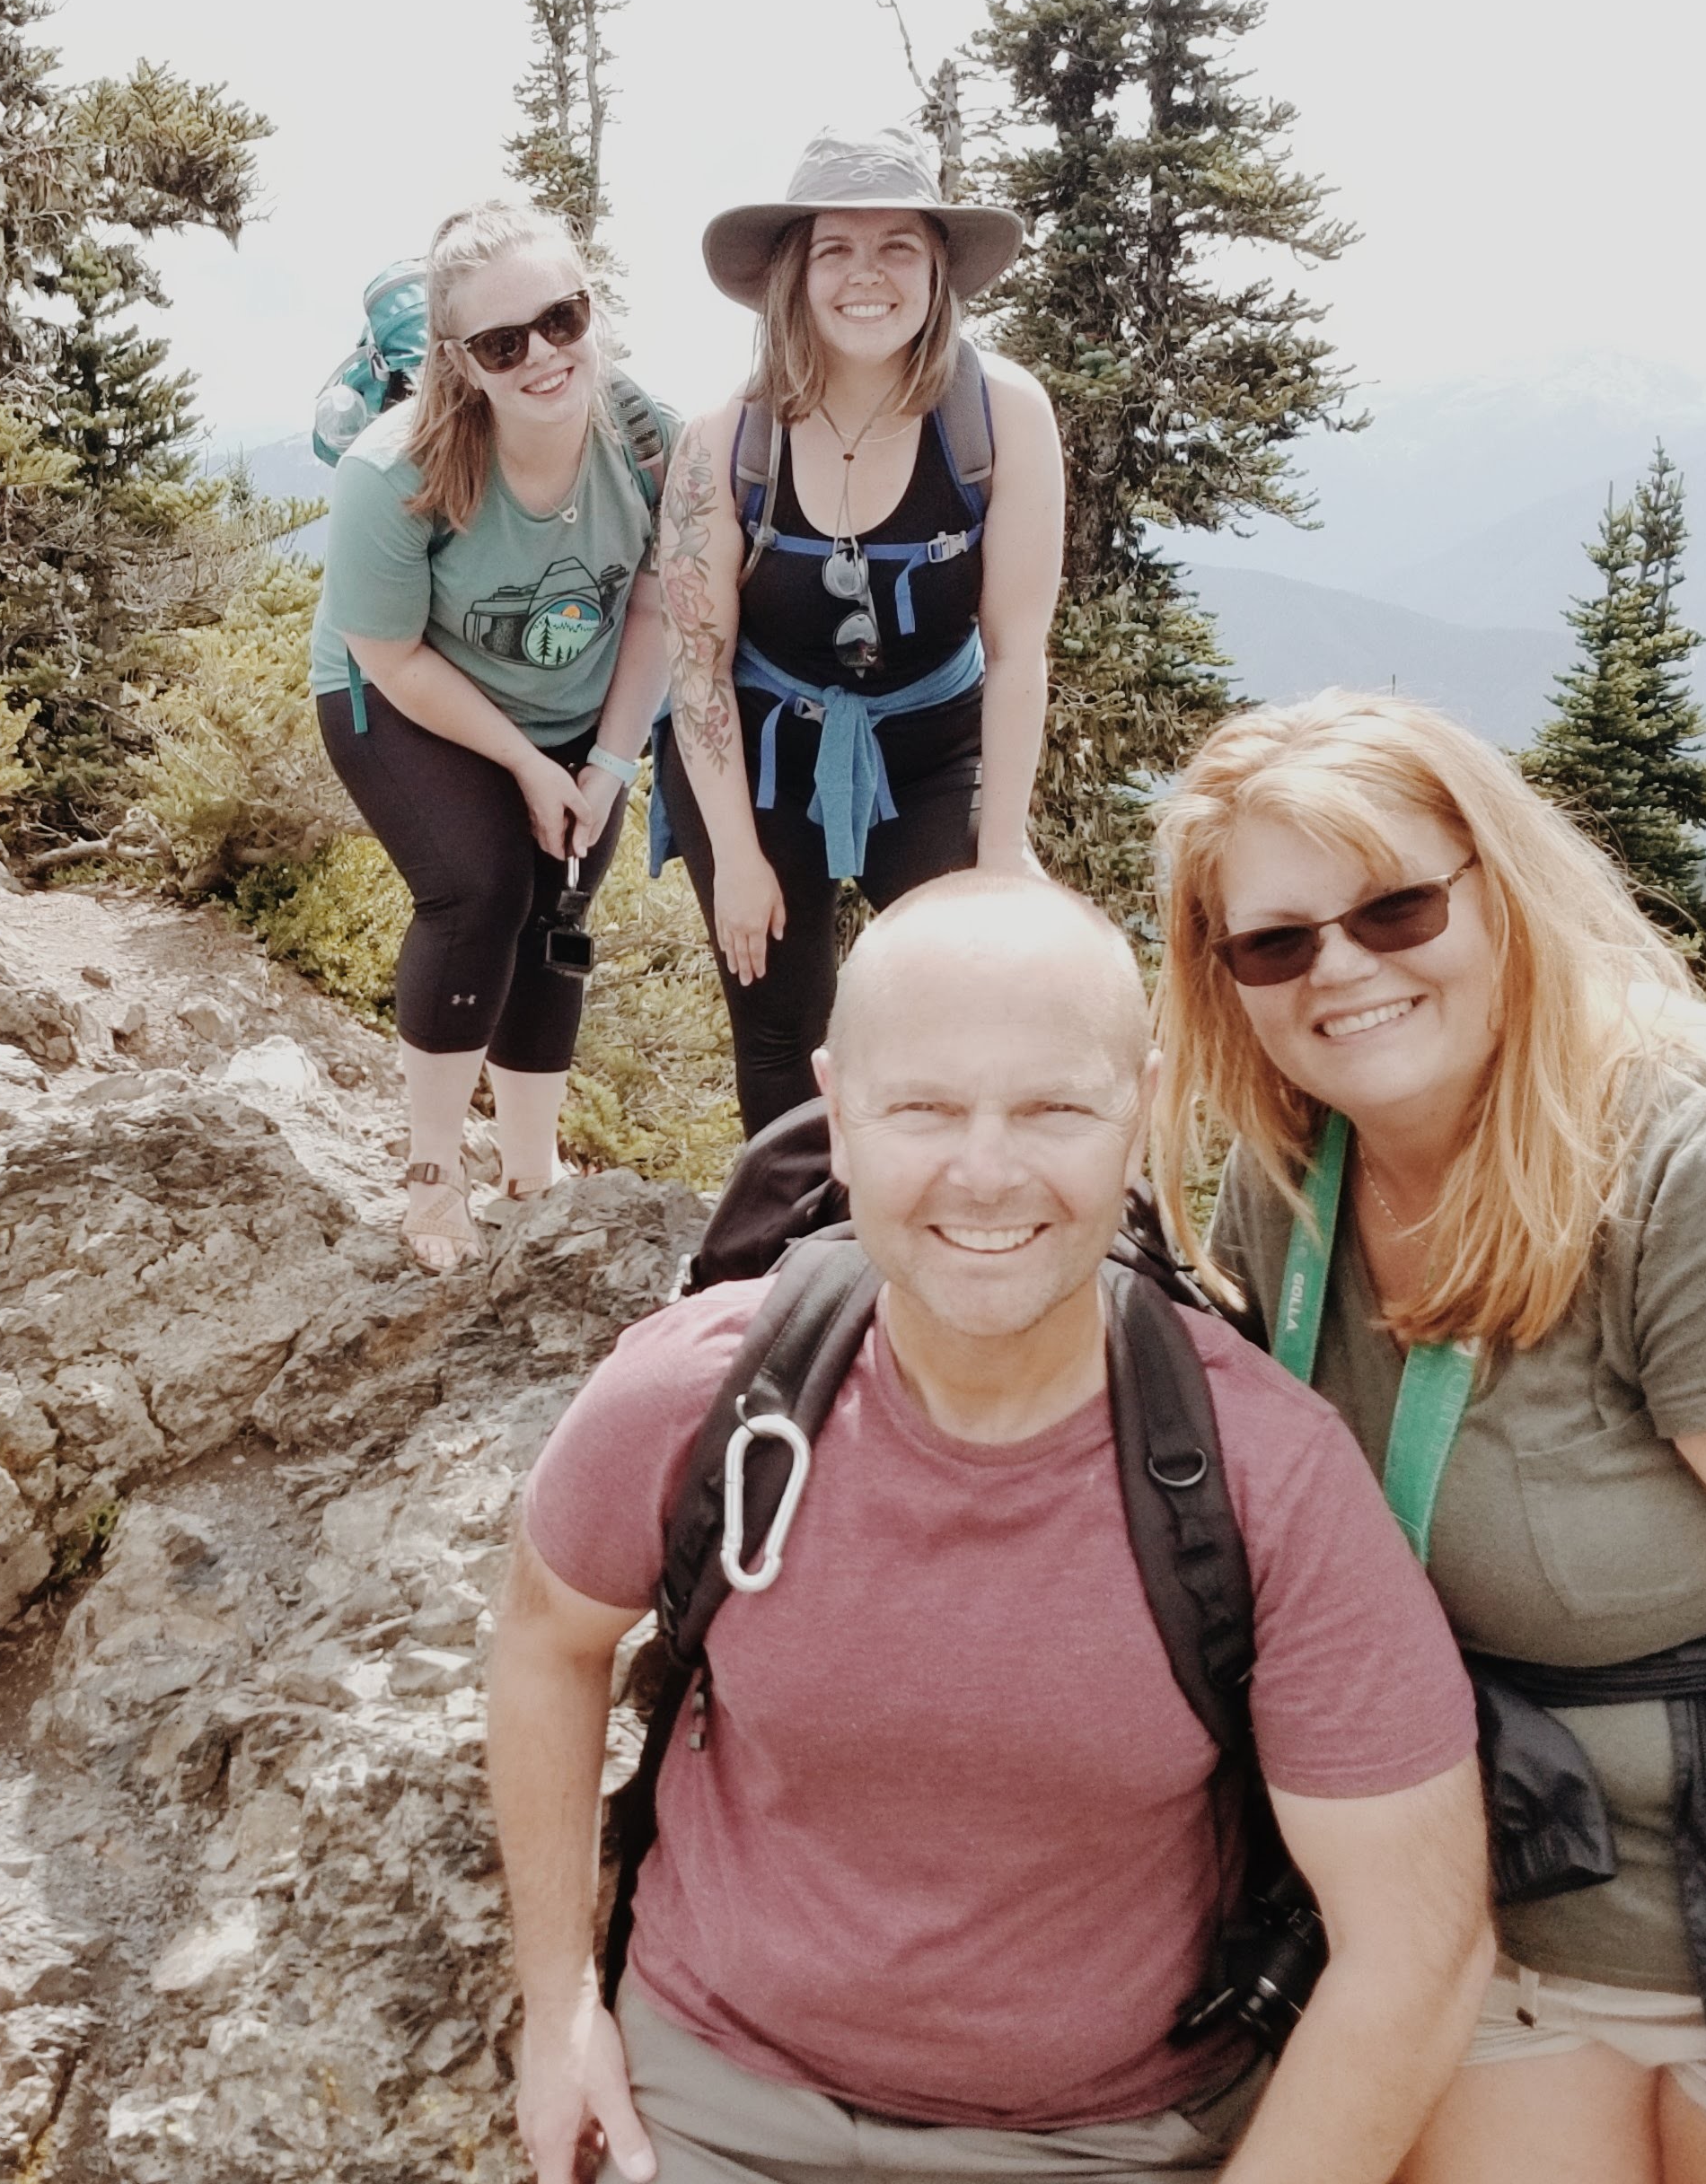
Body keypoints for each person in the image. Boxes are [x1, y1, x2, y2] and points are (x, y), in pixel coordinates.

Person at [488, 872, 1491, 2184]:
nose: (985, 1173)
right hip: (710, 2104)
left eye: (1054, 1109)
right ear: (839, 1115)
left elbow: (1417, 1943)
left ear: (1140, 1111)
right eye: (923, 1109)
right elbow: (547, 1642)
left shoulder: (1268, 1478)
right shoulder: (700, 1396)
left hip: (1107, 2141)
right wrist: (559, 2005)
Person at [1152, 689, 1706, 2184]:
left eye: (1396, 908)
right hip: (1483, 1942)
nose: (1340, 968)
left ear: (1501, 887)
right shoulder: (1290, 1180)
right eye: (1274, 943)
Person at [656, 128, 1067, 1140]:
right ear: (794, 276)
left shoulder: (1000, 418)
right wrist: (737, 858)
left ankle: (942, 1208)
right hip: (759, 753)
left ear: (938, 272)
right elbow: (699, 668)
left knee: (974, 1000)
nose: (866, 276)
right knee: (779, 1028)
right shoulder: (725, 442)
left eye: (898, 248)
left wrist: (1002, 853)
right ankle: (802, 1229)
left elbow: (1017, 653)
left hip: (933, 750)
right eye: (835, 249)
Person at [310, 199, 678, 1270]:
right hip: (401, 692)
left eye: (562, 319)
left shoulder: (649, 440)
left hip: (578, 704)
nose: (544, 356)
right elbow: (390, 654)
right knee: (481, 888)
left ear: (591, 308)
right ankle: (434, 1175)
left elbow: (657, 604)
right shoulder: (394, 472)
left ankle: (531, 1171)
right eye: (504, 344)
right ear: (459, 361)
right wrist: (521, 763)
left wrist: (608, 765)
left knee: (560, 903)